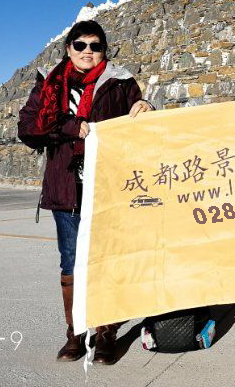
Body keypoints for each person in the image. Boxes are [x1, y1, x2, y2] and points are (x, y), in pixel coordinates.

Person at [18, 20, 153, 364]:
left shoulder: (121, 82)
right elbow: (29, 128)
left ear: (104, 50)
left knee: (108, 260)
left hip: (108, 187)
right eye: (80, 45)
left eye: (96, 46)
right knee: (72, 262)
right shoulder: (48, 82)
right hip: (66, 188)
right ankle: (76, 332)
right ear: (68, 49)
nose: (88, 51)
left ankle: (106, 333)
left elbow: (141, 126)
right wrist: (70, 127)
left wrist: (147, 109)